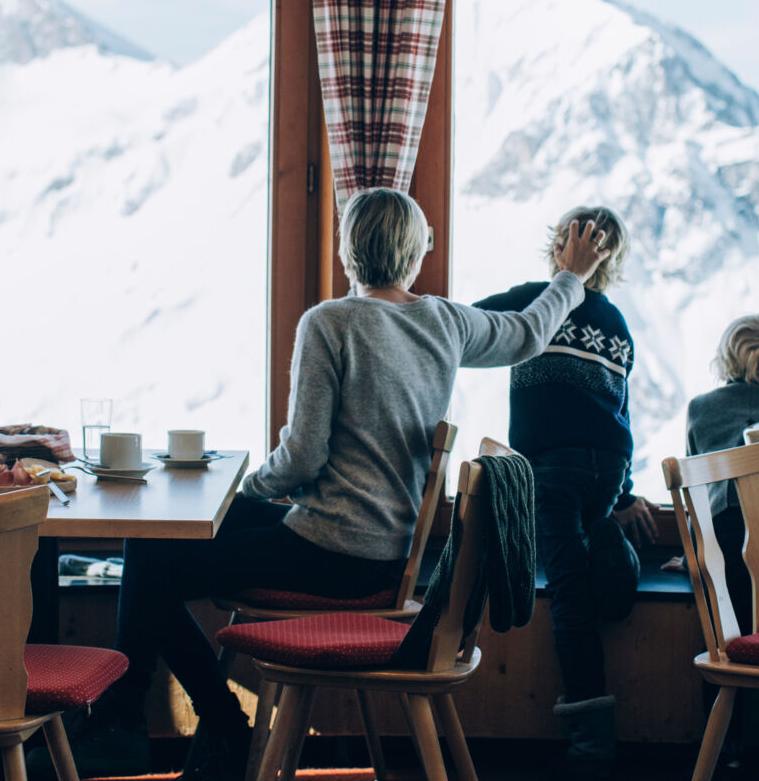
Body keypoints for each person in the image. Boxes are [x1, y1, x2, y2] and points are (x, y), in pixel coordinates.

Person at [81, 187, 610, 781]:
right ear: (414, 255)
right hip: (385, 554)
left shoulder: (329, 322)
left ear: (346, 251)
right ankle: (182, 720)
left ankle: (168, 720)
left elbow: (301, 460)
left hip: (331, 553)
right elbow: (529, 331)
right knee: (165, 544)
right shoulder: (446, 321)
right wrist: (572, 275)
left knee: (149, 556)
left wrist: (241, 486)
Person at [474, 205, 652, 778]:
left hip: (549, 469)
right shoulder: (618, 323)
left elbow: (464, 325)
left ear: (560, 249)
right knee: (581, 552)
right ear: (611, 264)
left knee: (568, 593)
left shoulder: (532, 298)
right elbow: (622, 411)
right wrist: (623, 494)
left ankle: (591, 743)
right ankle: (609, 539)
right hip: (606, 468)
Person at [684, 313, 759, 638]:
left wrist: (691, 554)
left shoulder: (700, 409)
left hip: (719, 540)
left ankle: (725, 682)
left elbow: (696, 493)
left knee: (727, 633)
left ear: (725, 357)